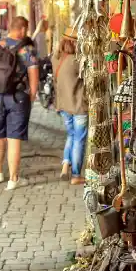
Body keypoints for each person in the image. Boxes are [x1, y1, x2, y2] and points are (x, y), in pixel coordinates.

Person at [0, 16, 39, 190]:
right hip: (18, 96)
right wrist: (31, 96)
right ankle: (13, 179)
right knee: (14, 137)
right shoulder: (27, 49)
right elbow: (33, 76)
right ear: (22, 29)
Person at [52, 35, 87, 185]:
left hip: (63, 105)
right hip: (78, 106)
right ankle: (76, 175)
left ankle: (66, 164)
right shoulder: (77, 61)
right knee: (79, 140)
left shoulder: (56, 59)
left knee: (71, 136)